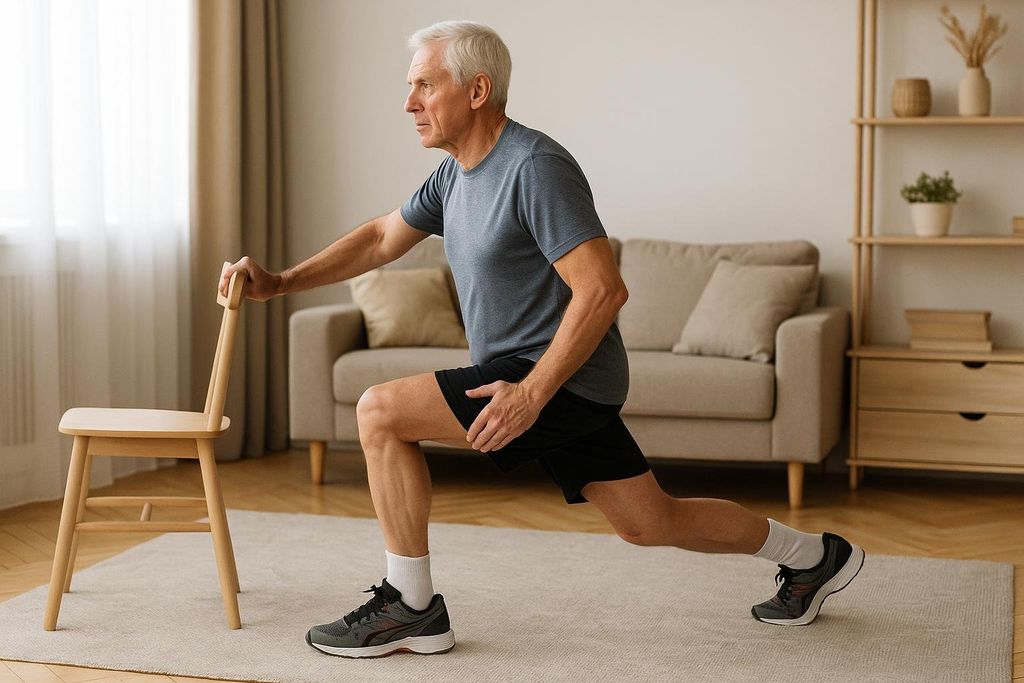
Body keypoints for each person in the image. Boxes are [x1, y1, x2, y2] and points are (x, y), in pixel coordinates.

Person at [221, 20, 864, 659]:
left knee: (380, 412)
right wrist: (280, 282)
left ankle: (410, 607)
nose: (410, 102)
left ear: (476, 90)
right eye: (409, 86)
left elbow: (604, 290)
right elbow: (381, 238)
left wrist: (530, 394)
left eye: (424, 85)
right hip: (548, 377)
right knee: (650, 522)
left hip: (555, 376)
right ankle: (812, 557)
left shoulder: (535, 167)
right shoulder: (454, 177)